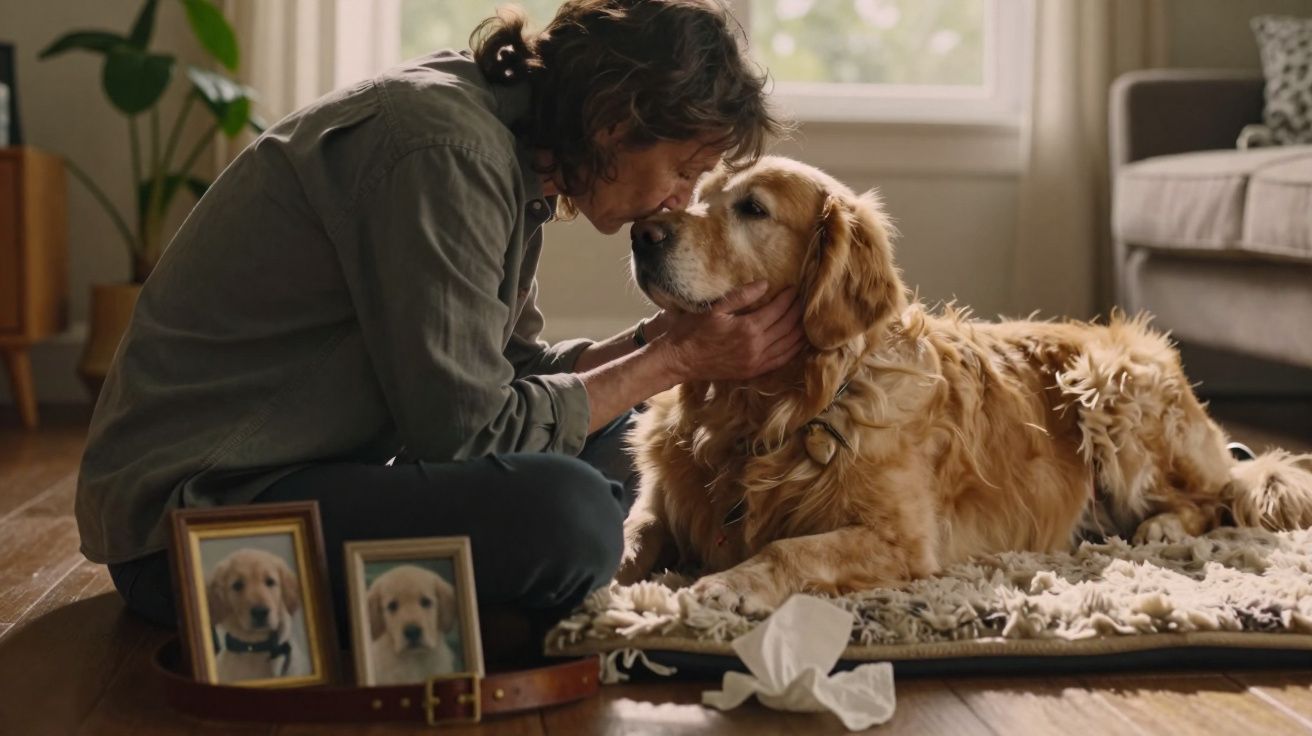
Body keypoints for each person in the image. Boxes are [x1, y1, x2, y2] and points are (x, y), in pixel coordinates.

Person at [76, 0, 801, 648]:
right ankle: (527, 593)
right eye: (685, 168)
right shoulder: (446, 152)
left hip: (305, 474)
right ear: (617, 123)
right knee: (572, 515)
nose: (679, 199)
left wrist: (656, 345)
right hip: (192, 530)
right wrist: (674, 362)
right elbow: (469, 435)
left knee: (628, 432)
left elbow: (511, 377)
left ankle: (527, 585)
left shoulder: (509, 148)